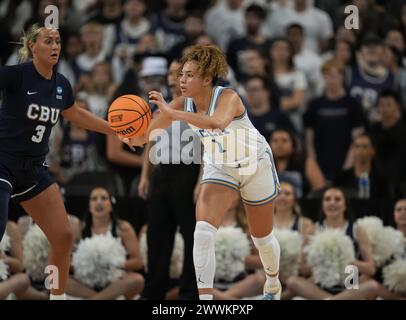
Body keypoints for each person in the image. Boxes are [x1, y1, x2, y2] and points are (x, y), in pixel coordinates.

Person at [124, 44, 282, 300]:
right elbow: (147, 134)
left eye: (188, 75)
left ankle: (273, 284)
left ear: (207, 79)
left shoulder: (229, 97)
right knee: (203, 232)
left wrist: (171, 112)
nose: (181, 80)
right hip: (221, 166)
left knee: (261, 237)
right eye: (181, 74)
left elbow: (216, 123)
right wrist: (128, 132)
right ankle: (205, 301)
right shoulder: (178, 104)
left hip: (255, 164)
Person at [0, 24, 124, 300]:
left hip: (34, 169)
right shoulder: (16, 75)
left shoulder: (61, 84)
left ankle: (57, 297)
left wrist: (117, 130)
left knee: (63, 236)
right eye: (48, 41)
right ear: (33, 46)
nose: (55, 46)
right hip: (4, 162)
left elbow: (77, 115)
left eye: (58, 41)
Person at [138, 58, 200, 300]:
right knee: (157, 235)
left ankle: (189, 293)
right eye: (174, 73)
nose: (176, 78)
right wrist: (145, 175)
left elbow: (206, 146)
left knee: (190, 235)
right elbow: (150, 141)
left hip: (188, 171)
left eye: (182, 73)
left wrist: (200, 181)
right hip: (161, 172)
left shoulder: (197, 107)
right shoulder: (160, 107)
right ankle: (153, 291)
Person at [66, 187, 144, 300]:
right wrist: (83, 263)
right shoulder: (79, 228)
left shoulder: (123, 228)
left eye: (104, 198)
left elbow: (138, 261)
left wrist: (115, 263)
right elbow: (67, 261)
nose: (99, 202)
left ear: (111, 204)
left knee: (137, 280)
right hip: (84, 283)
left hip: (114, 282)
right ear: (89, 206)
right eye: (94, 199)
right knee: (56, 280)